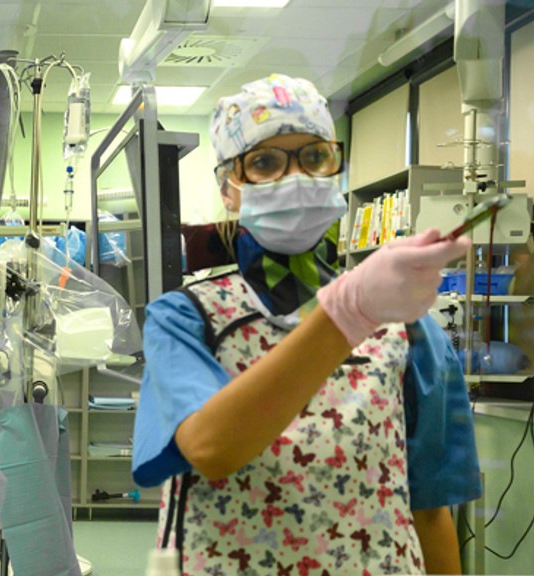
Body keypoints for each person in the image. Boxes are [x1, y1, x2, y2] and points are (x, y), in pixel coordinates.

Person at [132, 74, 481, 575]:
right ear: (228, 188)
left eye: (315, 157)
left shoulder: (407, 327)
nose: (295, 177)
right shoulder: (187, 318)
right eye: (265, 162)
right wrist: (350, 312)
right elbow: (211, 447)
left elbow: (430, 508)